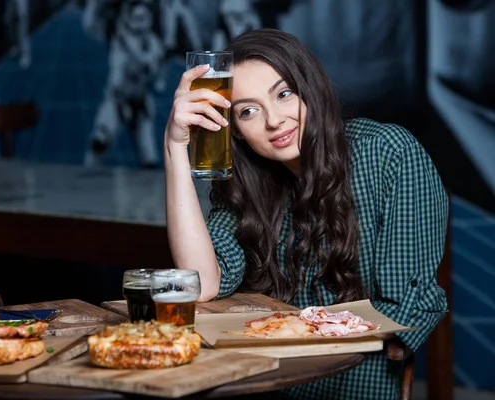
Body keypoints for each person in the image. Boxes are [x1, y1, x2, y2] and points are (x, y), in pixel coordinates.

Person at [163, 28, 448, 400]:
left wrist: (295, 332)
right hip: (258, 380)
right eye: (248, 111)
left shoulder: (387, 154)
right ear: (236, 130)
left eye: (284, 94)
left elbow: (404, 307)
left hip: (351, 380)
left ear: (308, 89)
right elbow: (202, 282)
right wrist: (174, 146)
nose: (274, 120)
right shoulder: (251, 182)